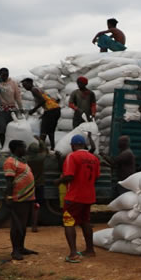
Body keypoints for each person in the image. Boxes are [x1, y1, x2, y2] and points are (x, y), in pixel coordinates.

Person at [56, 134, 100, 263]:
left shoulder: (72, 156)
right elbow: (96, 176)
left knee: (68, 222)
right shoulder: (94, 158)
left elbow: (69, 176)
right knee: (85, 222)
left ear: (72, 145)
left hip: (74, 196)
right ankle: (90, 250)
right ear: (84, 145)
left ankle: (73, 253)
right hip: (89, 196)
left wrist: (58, 181)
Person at [3, 140, 38, 261]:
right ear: (17, 148)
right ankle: (15, 251)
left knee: (23, 225)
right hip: (18, 198)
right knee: (17, 225)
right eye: (23, 147)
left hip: (28, 198)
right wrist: (9, 197)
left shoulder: (22, 161)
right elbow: (9, 182)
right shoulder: (10, 162)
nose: (25, 149)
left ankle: (21, 247)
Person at [20, 78, 61, 150]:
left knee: (43, 130)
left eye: (25, 85)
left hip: (51, 110)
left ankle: (41, 149)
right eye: (23, 86)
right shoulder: (38, 89)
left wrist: (33, 110)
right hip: (55, 109)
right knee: (51, 130)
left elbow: (42, 100)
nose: (24, 87)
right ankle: (52, 147)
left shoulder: (34, 90)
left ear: (30, 83)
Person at [26, 138, 48, 233]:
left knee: (28, 204)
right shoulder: (40, 158)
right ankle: (34, 226)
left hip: (28, 185)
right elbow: (45, 150)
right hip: (39, 185)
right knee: (37, 205)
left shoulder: (26, 159)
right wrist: (40, 140)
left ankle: (26, 223)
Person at [0, 68, 22, 146]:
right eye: (3, 75)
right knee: (2, 129)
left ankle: (11, 147)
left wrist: (21, 108)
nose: (4, 77)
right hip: (1, 109)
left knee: (11, 129)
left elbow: (17, 96)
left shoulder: (13, 83)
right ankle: (3, 146)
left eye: (6, 75)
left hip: (12, 108)